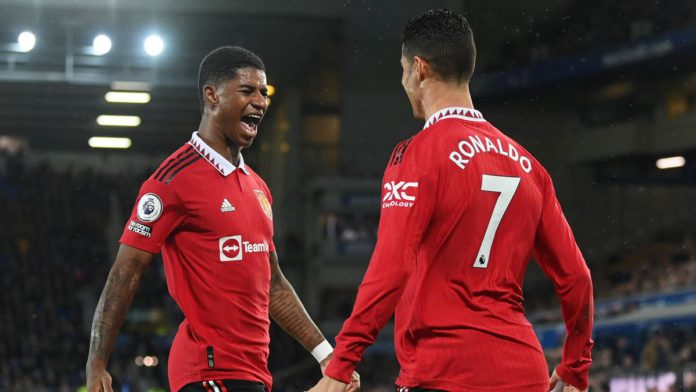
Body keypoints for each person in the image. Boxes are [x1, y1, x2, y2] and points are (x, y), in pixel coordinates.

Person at [311, 9, 593, 392]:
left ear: (418, 68)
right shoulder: (530, 166)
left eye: (402, 70)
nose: (403, 81)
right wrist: (575, 364)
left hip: (446, 370)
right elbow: (576, 278)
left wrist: (342, 364)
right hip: (525, 372)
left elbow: (391, 267)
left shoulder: (417, 155)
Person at [85, 46, 359, 392]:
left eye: (264, 92)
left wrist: (325, 354)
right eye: (247, 90)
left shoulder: (258, 187)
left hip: (252, 373)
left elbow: (272, 283)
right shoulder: (172, 180)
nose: (260, 101)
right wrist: (97, 363)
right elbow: (126, 271)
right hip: (207, 370)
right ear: (212, 95)